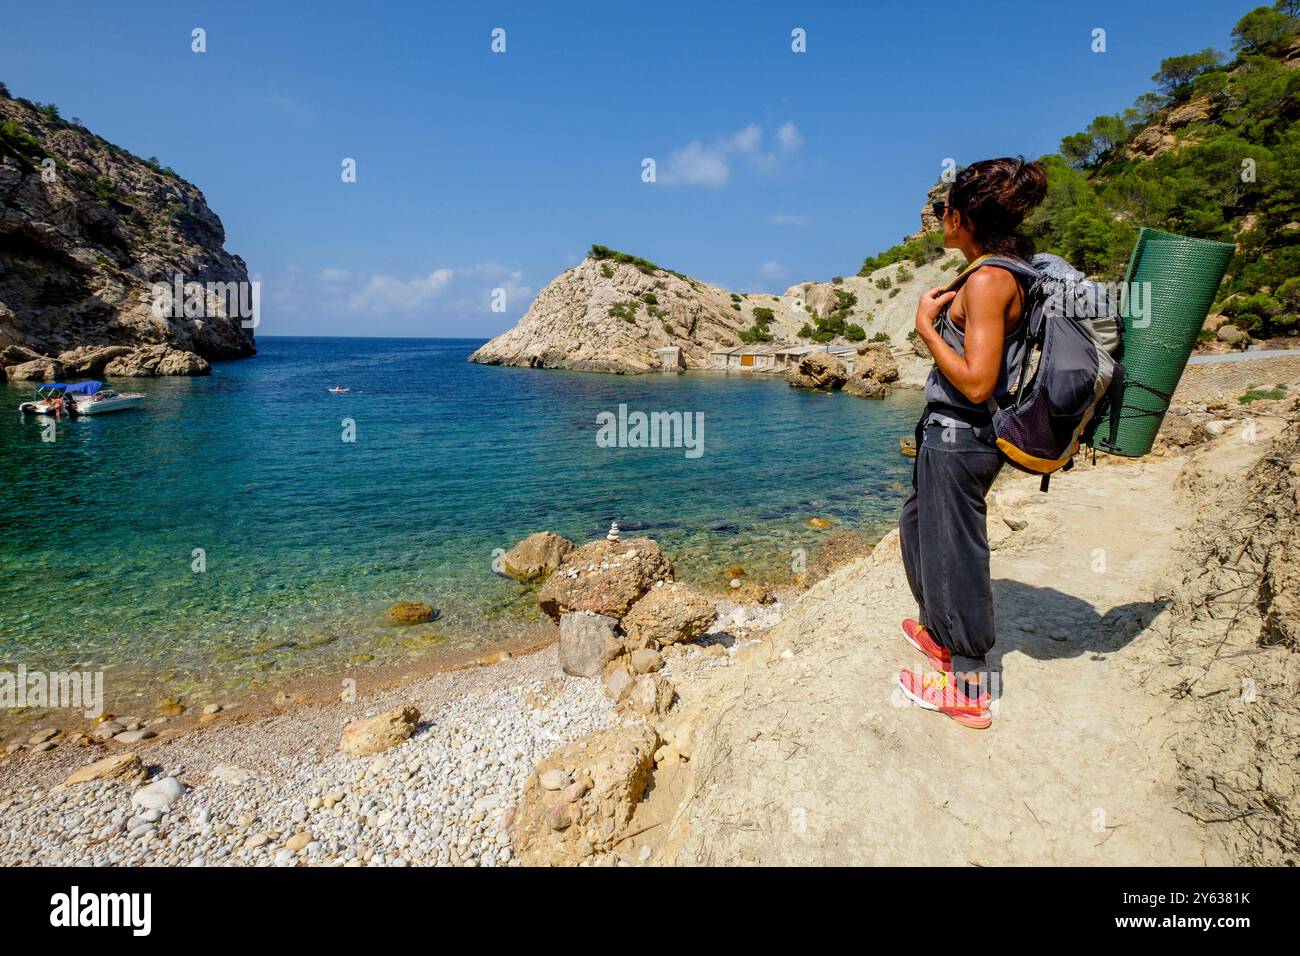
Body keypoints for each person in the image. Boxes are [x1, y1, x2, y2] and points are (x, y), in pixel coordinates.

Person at [896, 156, 1048, 729]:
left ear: (959, 217)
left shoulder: (988, 280)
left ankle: (968, 683)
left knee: (954, 553)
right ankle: (940, 633)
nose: (939, 218)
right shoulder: (1003, 270)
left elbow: (980, 380)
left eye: (943, 210)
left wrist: (927, 330)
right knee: (918, 530)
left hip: (961, 439)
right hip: (949, 437)